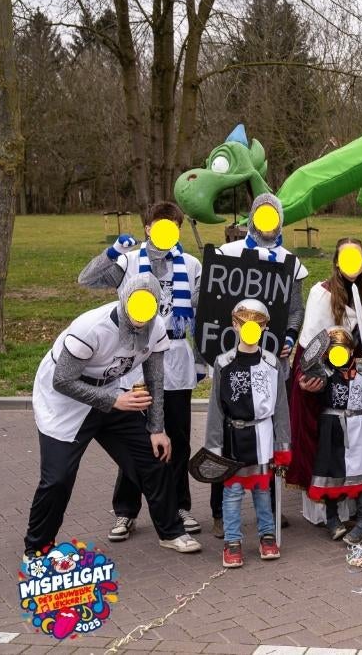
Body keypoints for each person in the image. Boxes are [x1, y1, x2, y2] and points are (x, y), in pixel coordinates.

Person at [25, 274, 201, 559]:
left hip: (111, 392)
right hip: (65, 403)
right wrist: (114, 401)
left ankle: (171, 532)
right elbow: (63, 381)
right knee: (57, 478)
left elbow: (155, 379)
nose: (141, 318)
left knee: (154, 456)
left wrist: (157, 428)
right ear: (124, 301)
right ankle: (37, 547)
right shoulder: (91, 328)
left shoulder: (155, 328)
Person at [78, 202, 203, 540]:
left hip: (175, 358)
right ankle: (126, 510)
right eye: (160, 224)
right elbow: (86, 279)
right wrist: (112, 252)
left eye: (173, 226)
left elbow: (203, 309)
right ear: (147, 228)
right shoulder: (129, 261)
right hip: (135, 357)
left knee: (177, 438)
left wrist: (202, 358)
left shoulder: (191, 265)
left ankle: (179, 506)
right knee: (135, 438)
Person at [212, 192, 307, 537]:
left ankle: (271, 510)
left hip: (271, 361)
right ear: (253, 217)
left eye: (273, 216)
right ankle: (221, 513)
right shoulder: (230, 253)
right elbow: (215, 301)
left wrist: (289, 338)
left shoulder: (290, 262)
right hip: (236, 357)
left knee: (268, 431)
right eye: (262, 215)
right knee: (228, 432)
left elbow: (295, 310)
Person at [289, 238, 362, 527]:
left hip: (357, 380)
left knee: (358, 445)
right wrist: (309, 377)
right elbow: (310, 346)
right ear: (337, 263)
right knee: (329, 447)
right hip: (327, 379)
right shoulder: (322, 294)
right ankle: (329, 513)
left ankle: (357, 508)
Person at [204, 300, 291, 568]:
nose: (250, 329)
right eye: (245, 324)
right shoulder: (223, 363)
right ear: (235, 325)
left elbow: (280, 408)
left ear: (264, 328)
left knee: (263, 490)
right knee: (232, 492)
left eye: (257, 324)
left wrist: (282, 446)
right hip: (233, 436)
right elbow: (216, 409)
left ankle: (267, 535)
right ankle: (232, 540)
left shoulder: (272, 364)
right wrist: (213, 446)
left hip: (262, 435)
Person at [291, 327, 362, 544]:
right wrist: (305, 382)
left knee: (361, 471)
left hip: (359, 426)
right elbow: (306, 371)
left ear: (350, 350)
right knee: (331, 471)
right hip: (331, 426)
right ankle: (332, 519)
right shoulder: (324, 371)